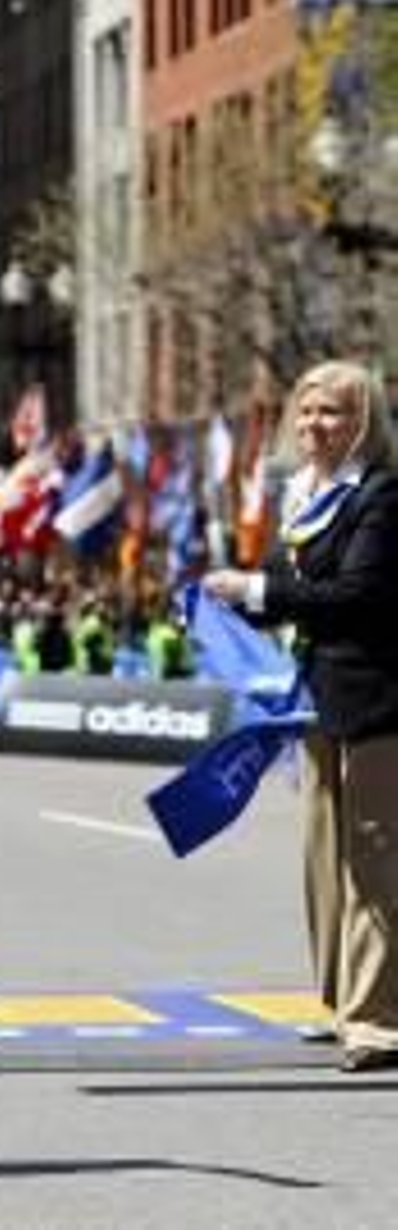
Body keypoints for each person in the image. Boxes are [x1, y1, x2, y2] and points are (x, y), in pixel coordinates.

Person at [203, 360, 398, 1074]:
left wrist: (254, 589)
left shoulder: (381, 495)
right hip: (315, 696)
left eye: (334, 413)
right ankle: (341, 997)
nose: (316, 425)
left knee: (372, 860)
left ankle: (376, 1022)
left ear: (365, 422)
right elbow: (290, 589)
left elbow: (358, 596)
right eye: (308, 412)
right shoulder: (303, 495)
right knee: (323, 857)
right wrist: (238, 595)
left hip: (379, 699)